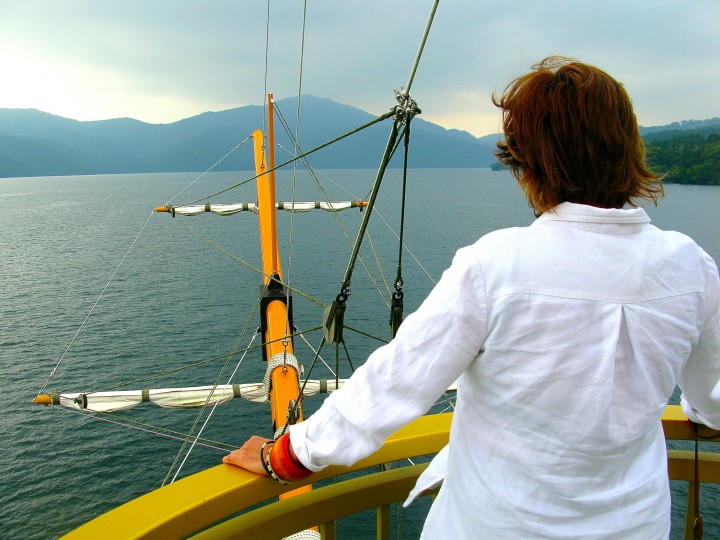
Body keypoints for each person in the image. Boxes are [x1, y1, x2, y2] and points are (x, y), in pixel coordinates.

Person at [224, 56, 720, 538]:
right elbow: (712, 403)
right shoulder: (690, 266)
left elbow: (395, 381)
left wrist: (287, 455)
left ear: (530, 163)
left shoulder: (497, 265)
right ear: (628, 147)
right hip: (634, 527)